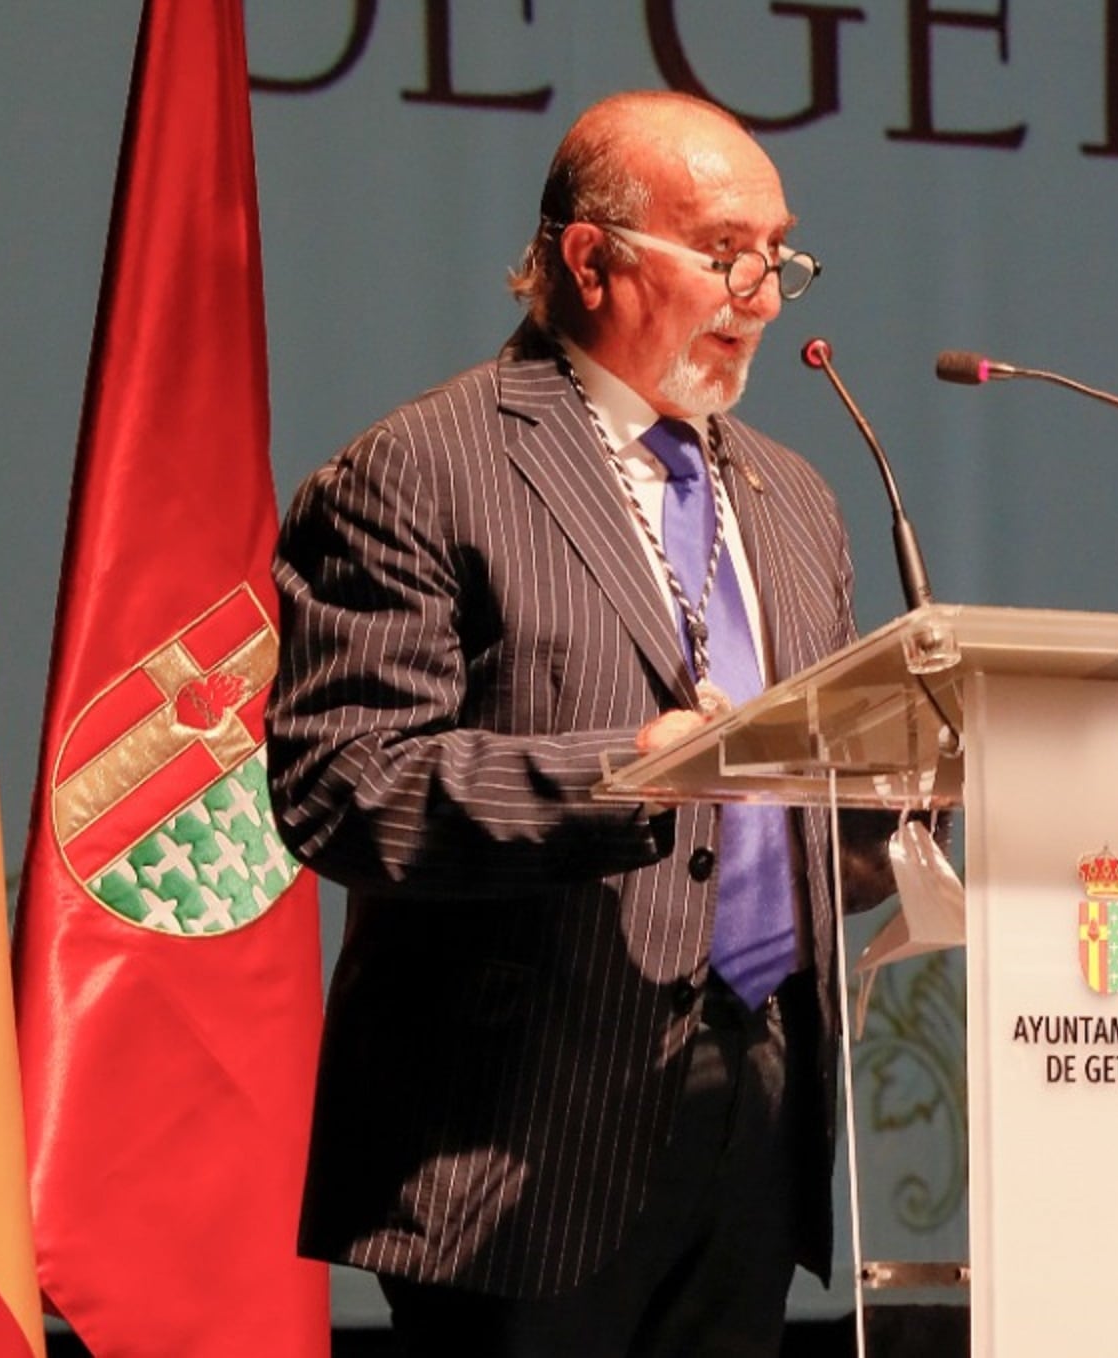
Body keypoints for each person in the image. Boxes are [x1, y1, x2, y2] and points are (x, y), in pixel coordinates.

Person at [268, 91, 891, 1357]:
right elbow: (343, 784)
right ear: (589, 255)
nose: (764, 294)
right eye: (727, 251)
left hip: (756, 1104)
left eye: (781, 256)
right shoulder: (423, 468)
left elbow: (813, 797)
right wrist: (625, 774)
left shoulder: (795, 497)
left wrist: (909, 794)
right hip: (516, 1136)